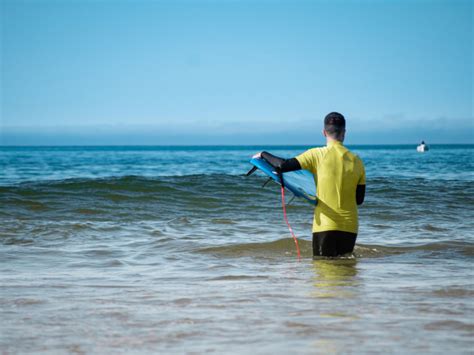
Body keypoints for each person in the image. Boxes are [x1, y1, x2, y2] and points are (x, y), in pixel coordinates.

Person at [254, 112, 366, 257]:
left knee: (322, 271)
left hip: (326, 225)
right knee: (345, 271)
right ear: (344, 132)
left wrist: (263, 154)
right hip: (350, 226)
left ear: (324, 132)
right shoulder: (357, 161)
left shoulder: (316, 154)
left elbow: (283, 165)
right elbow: (359, 200)